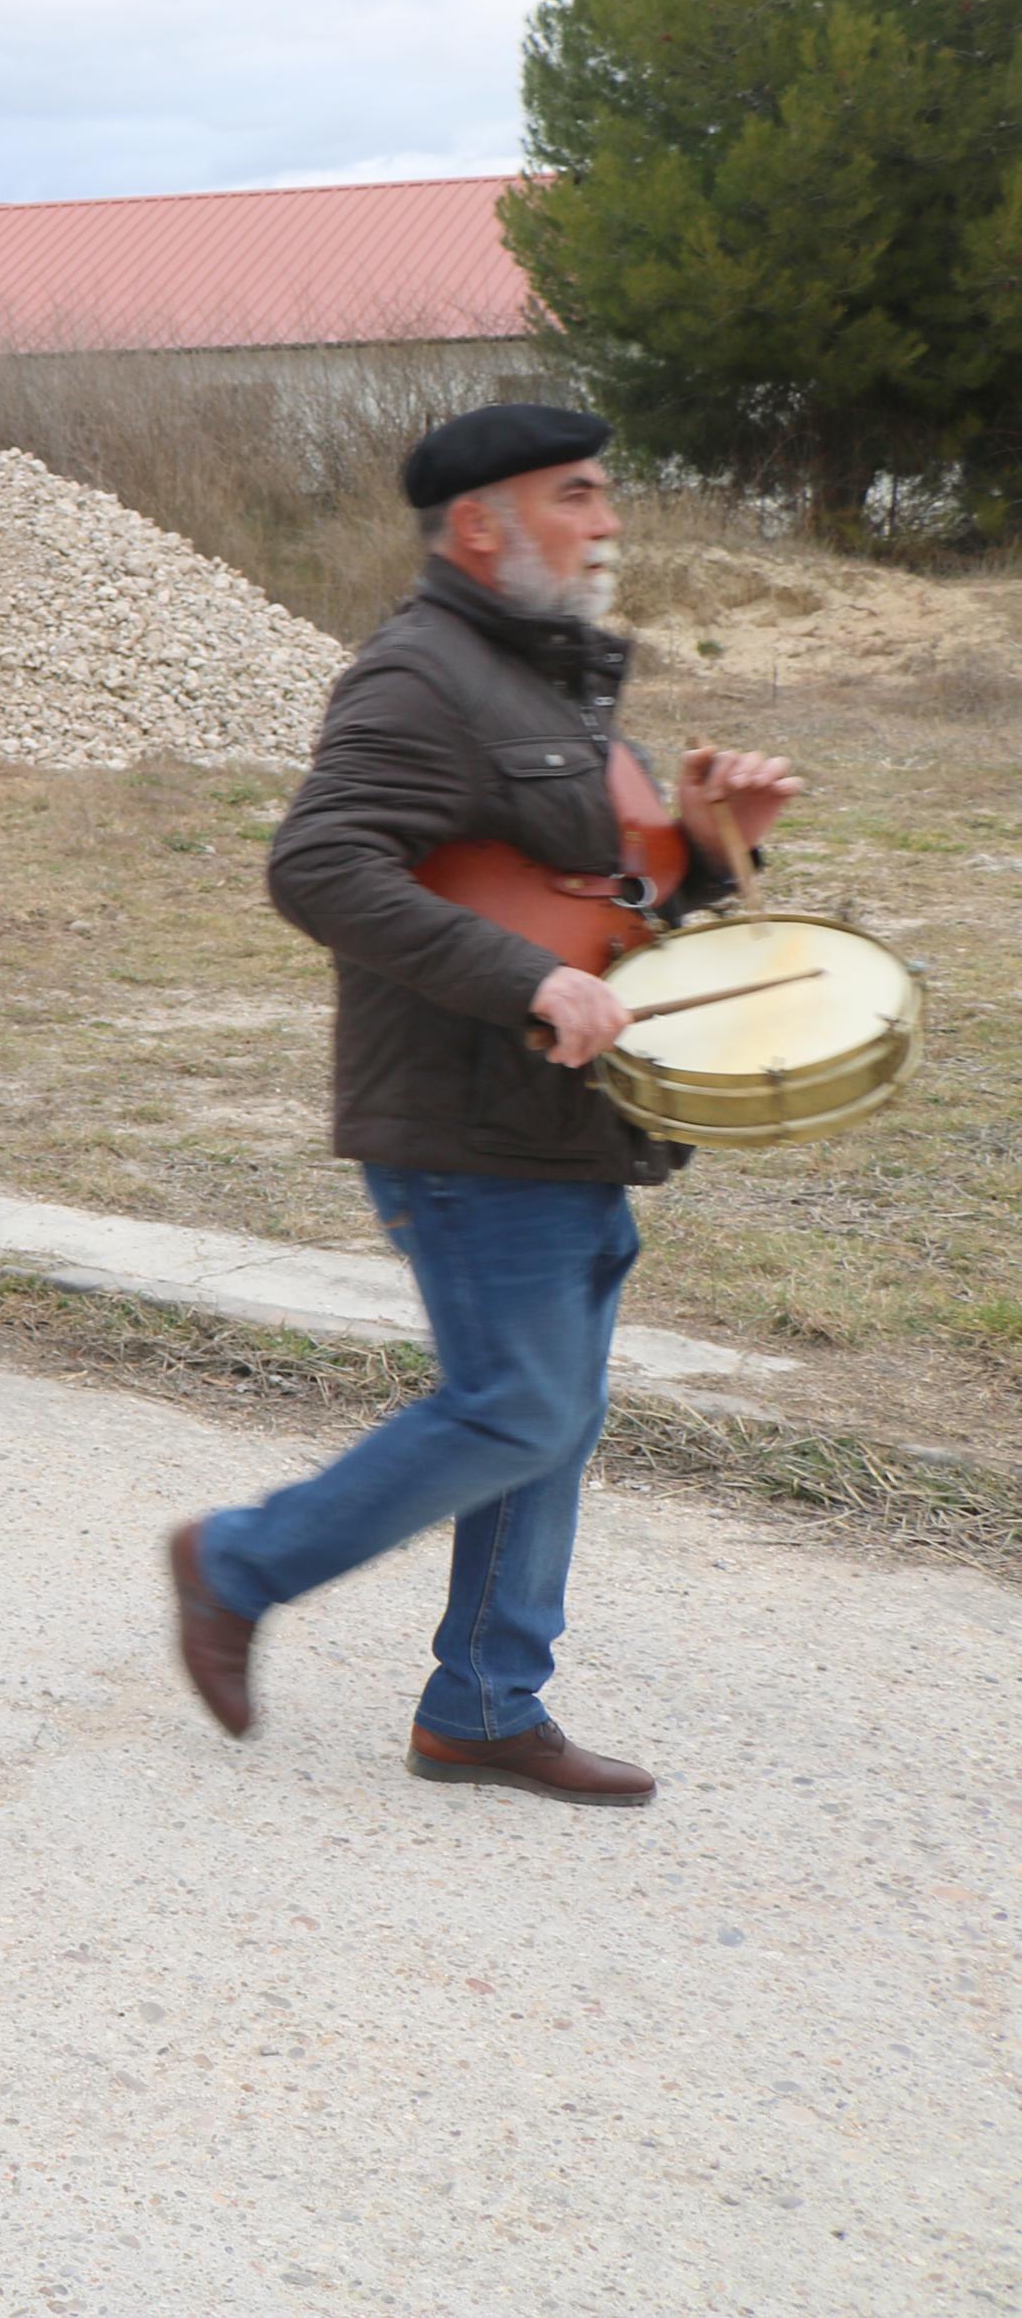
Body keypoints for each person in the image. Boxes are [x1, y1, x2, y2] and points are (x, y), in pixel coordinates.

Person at [169, 403, 801, 1805]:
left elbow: (602, 905)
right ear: (478, 525)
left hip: (565, 1113)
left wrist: (705, 855)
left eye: (601, 493)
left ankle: (481, 1704)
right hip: (462, 1116)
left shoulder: (551, 684)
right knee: (516, 1403)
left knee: (550, 1416)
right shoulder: (418, 674)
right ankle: (234, 1563)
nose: (606, 520)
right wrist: (523, 980)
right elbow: (319, 866)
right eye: (575, 494)